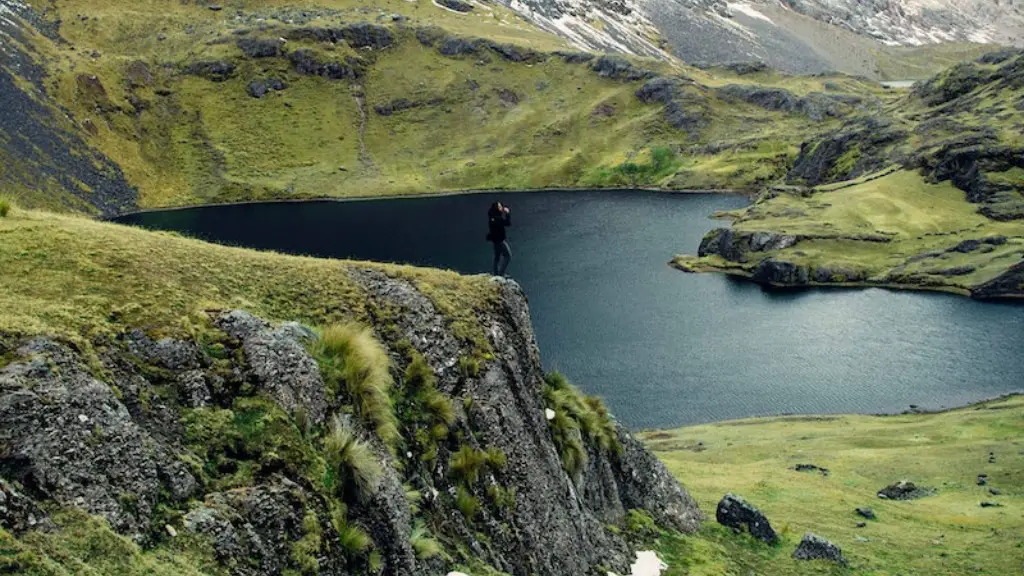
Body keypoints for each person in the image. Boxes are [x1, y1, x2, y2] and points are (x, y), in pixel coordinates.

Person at [487, 201, 512, 276]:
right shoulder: (497, 218)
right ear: (497, 208)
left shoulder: (492, 217)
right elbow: (507, 223)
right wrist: (507, 213)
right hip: (500, 241)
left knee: (497, 257)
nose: (502, 208)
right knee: (508, 256)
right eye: (500, 207)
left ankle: (496, 273)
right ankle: (501, 274)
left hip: (495, 240)